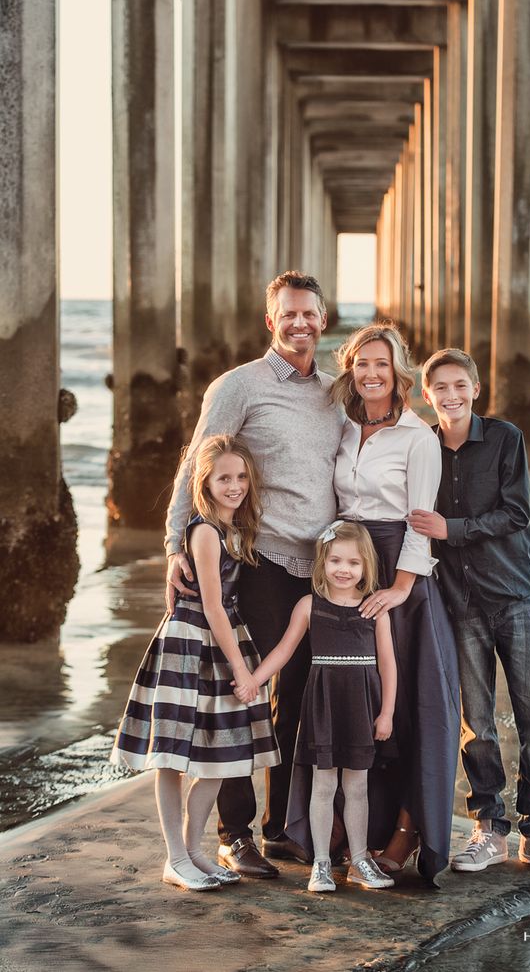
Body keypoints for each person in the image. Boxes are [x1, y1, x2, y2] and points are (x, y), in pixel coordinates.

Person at [164, 271, 344, 877]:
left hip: (317, 570)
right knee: (242, 699)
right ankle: (233, 834)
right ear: (272, 321)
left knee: (297, 698)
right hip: (257, 562)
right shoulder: (239, 386)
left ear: (324, 319)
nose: (300, 323)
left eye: (310, 314)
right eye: (288, 314)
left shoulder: (334, 392)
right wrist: (175, 544)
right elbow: (198, 464)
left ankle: (282, 830)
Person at [410, 348, 530, 875]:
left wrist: (451, 529)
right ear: (427, 394)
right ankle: (489, 829)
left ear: (475, 389)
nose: (451, 396)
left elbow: (515, 514)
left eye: (460, 385)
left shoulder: (505, 438)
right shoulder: (422, 447)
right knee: (476, 724)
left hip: (514, 597)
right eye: (441, 387)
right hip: (457, 603)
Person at [111, 435, 280, 891]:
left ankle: (194, 850)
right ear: (204, 482)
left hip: (221, 642)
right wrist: (242, 670)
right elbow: (213, 606)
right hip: (190, 643)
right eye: (224, 477)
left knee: (221, 758)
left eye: (241, 476)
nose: (234, 486)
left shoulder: (237, 529)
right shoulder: (204, 531)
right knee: (173, 756)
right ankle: (174, 857)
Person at [329, 323, 461, 885]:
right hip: (349, 574)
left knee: (408, 706)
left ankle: (407, 831)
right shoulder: (339, 427)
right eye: (362, 364)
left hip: (401, 580)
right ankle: (355, 825)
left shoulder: (418, 437)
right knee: (361, 700)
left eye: (382, 364)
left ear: (399, 370)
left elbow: (420, 521)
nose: (372, 374)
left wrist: (402, 588)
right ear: (350, 371)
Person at [240, 520, 398, 893]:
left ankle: (360, 861)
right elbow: (283, 650)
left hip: (361, 707)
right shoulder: (309, 605)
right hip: (323, 707)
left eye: (354, 563)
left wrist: (387, 712)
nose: (344, 570)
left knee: (357, 786)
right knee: (324, 785)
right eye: (336, 561)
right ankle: (322, 864)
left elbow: (389, 665)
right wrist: (253, 679)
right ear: (322, 561)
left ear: (366, 567)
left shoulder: (374, 609)